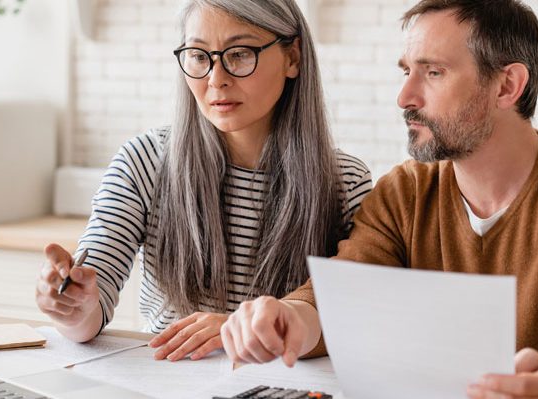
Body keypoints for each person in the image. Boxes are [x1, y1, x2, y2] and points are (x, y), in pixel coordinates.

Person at [220, 1, 538, 398]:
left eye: (433, 73)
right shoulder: (405, 192)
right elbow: (343, 294)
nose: (405, 96)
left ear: (507, 86)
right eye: (406, 72)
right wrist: (288, 319)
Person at [34, 0, 372, 363]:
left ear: (293, 58)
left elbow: (351, 320)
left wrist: (237, 332)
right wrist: (71, 306)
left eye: (240, 54)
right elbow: (90, 312)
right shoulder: (145, 161)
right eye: (198, 56)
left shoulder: (345, 181)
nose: (216, 79)